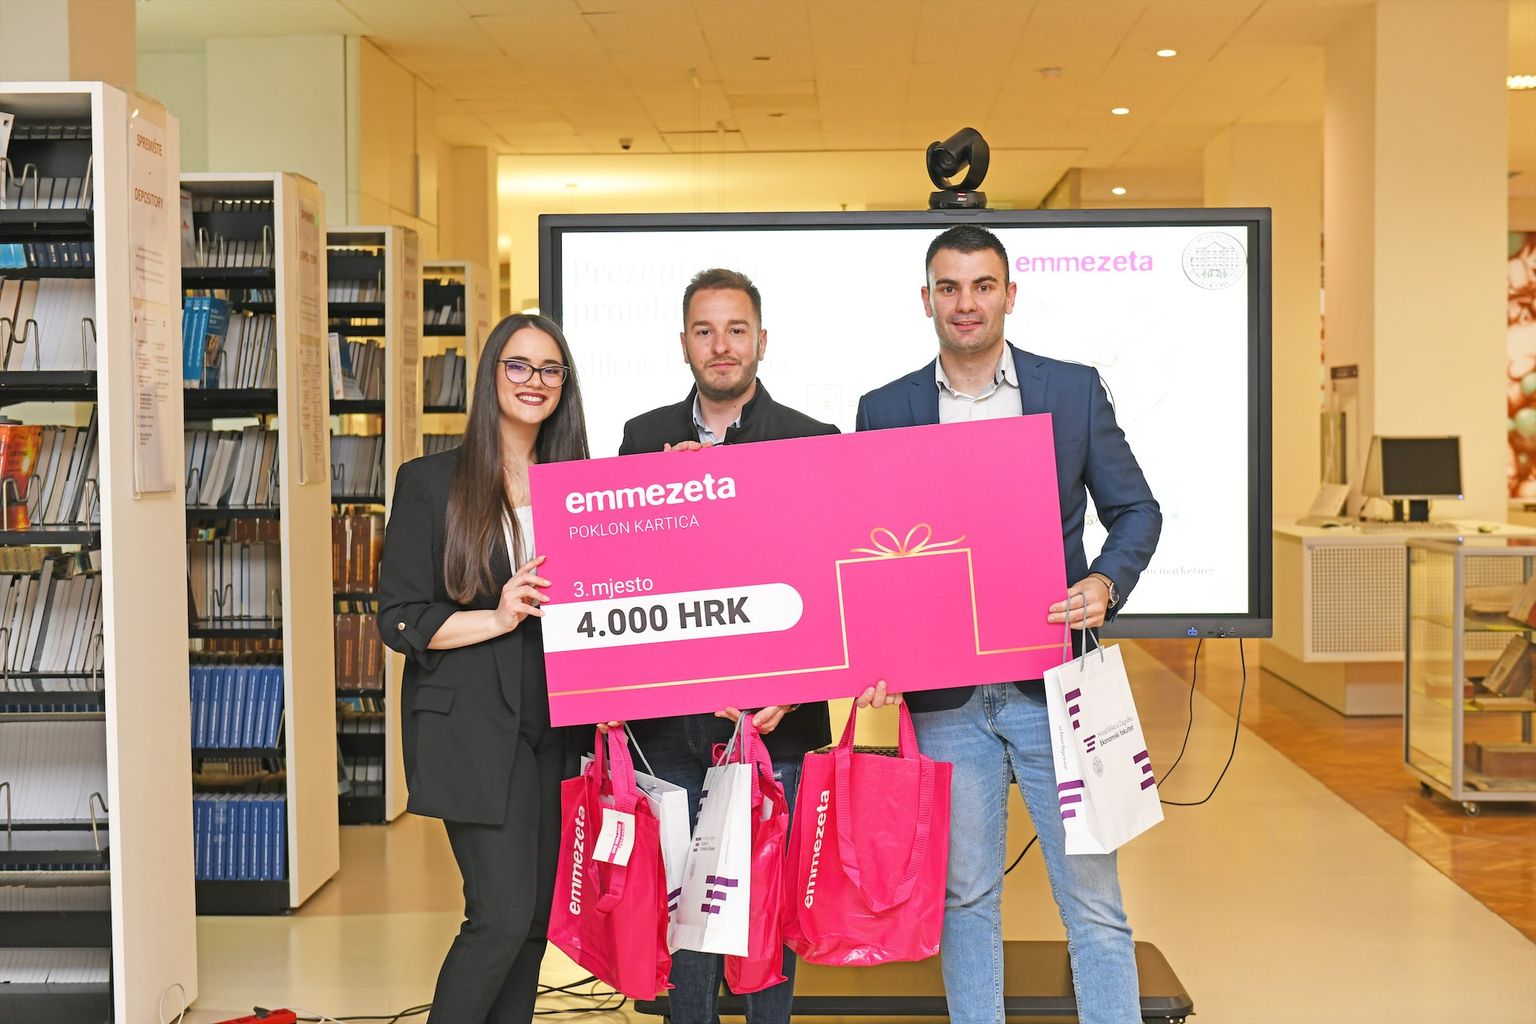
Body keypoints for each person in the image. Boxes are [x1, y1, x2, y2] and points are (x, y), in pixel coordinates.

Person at [853, 225, 1162, 1024]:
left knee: (1094, 904)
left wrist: (1105, 581)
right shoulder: (884, 410)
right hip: (945, 700)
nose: (967, 303)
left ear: (1009, 295)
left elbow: (1137, 510)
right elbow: (867, 547)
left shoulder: (1072, 390)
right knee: (965, 901)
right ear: (926, 300)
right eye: (949, 287)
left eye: (983, 285)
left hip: (1056, 686)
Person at [618, 267, 837, 1024]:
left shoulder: (813, 441)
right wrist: (659, 500)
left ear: (761, 341)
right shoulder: (642, 440)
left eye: (736, 330)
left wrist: (798, 691)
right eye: (705, 331)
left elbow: (830, 585)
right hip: (670, 727)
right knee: (686, 919)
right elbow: (620, 577)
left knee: (766, 916)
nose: (721, 346)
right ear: (683, 343)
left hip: (777, 725)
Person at [378, 313, 589, 1024]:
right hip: (469, 724)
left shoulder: (580, 484)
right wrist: (497, 617)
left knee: (532, 924)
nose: (535, 381)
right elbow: (398, 618)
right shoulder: (429, 482)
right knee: (499, 918)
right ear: (491, 374)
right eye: (518, 365)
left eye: (550, 369)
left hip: (557, 725)